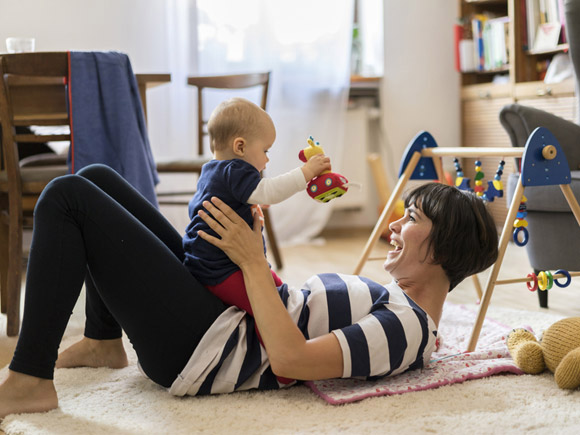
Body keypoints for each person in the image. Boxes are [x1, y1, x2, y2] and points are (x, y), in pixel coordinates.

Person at [0, 164, 498, 418]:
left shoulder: (409, 328)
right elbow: (287, 310)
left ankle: (31, 378)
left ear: (444, 248)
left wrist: (252, 260)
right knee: (96, 179)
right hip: (220, 317)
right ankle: (104, 340)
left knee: (68, 199)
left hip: (204, 348)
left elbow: (291, 360)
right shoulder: (397, 304)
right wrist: (248, 253)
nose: (393, 225)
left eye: (411, 219)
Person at [183, 97, 330, 325]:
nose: (267, 159)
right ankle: (270, 349)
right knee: (269, 309)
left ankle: (294, 322)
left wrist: (252, 202)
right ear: (240, 147)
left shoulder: (213, 170)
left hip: (210, 261)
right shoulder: (236, 169)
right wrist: (306, 172)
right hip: (221, 268)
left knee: (279, 290)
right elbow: (271, 190)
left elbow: (227, 199)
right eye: (265, 150)